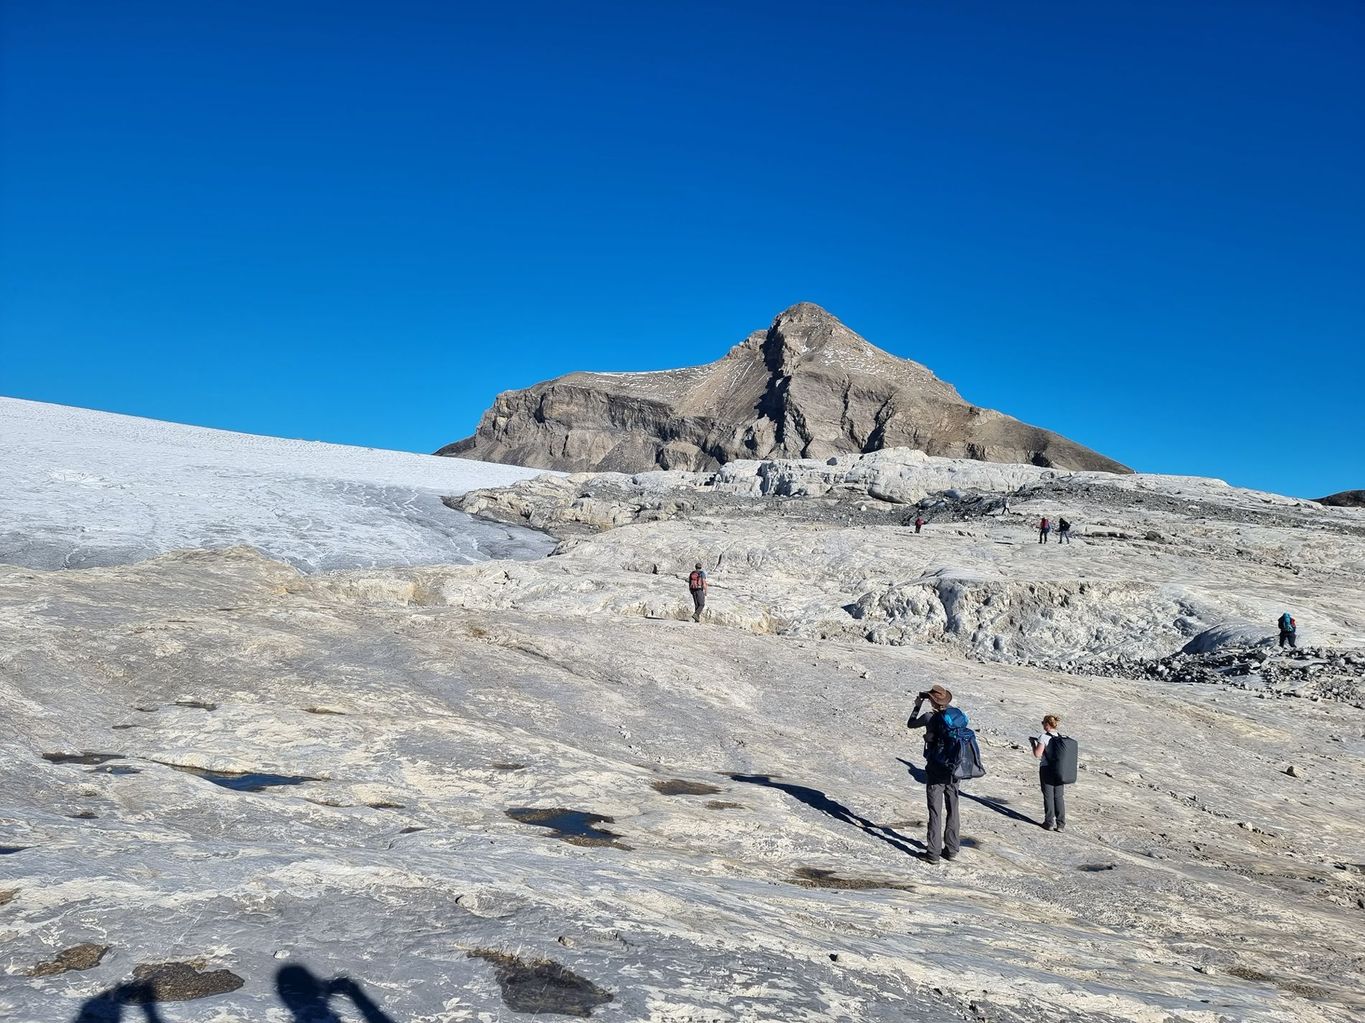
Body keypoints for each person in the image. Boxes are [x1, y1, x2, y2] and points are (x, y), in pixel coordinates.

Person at [907, 684, 960, 863]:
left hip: (936, 768)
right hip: (954, 769)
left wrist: (917, 705)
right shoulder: (956, 715)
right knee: (953, 809)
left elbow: (910, 724)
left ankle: (933, 853)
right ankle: (951, 850)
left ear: (932, 700)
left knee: (935, 811)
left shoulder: (929, 717)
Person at [1030, 714, 1073, 831]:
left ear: (1047, 724)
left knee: (1048, 796)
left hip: (1047, 769)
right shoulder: (1061, 738)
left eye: (1043, 723)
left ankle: (1048, 822)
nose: (1042, 725)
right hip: (1060, 770)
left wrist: (1033, 744)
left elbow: (1037, 754)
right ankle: (1061, 824)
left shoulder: (1044, 737)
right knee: (1059, 797)